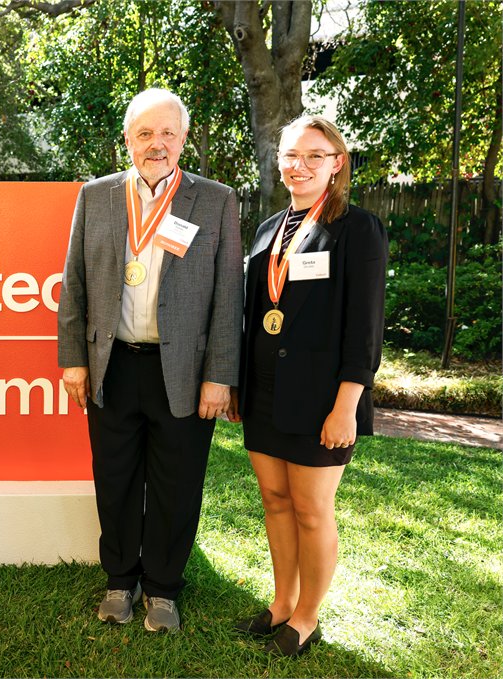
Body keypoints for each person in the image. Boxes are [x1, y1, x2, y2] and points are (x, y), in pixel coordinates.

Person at [57, 88, 243, 633]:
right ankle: (120, 579)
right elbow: (74, 282)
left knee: (176, 485)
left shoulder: (215, 200)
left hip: (183, 371)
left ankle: (162, 588)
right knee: (114, 479)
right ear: (128, 140)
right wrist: (73, 359)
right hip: (112, 365)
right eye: (144, 133)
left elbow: (228, 294)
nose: (156, 144)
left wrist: (220, 376)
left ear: (182, 139)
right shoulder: (96, 196)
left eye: (166, 133)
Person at [226, 115, 387, 656]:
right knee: (275, 501)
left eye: (314, 155)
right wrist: (239, 386)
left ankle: (307, 618)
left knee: (311, 510)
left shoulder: (357, 229)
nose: (300, 165)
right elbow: (256, 314)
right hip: (265, 391)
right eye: (291, 155)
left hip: (323, 398)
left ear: (337, 163)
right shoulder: (268, 229)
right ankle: (281, 603)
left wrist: (347, 406)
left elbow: (364, 328)